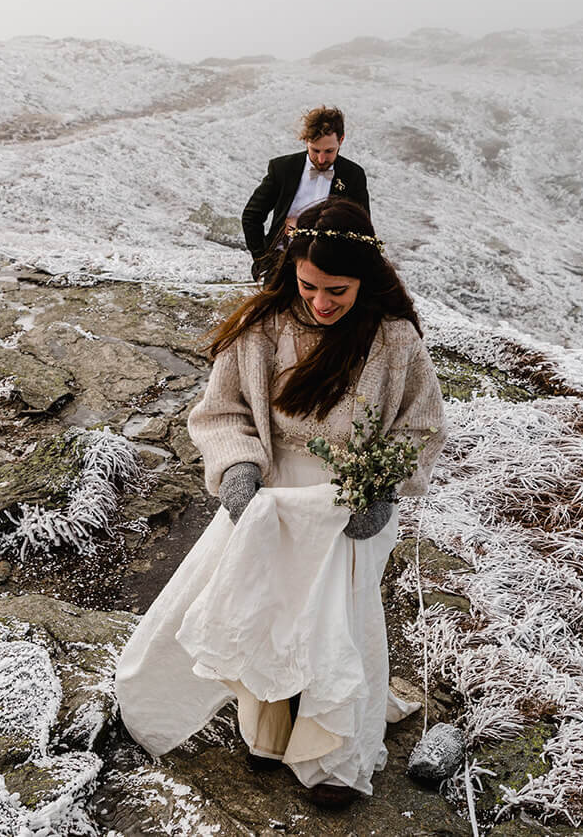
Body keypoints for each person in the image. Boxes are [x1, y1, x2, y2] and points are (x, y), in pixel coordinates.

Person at [114, 197, 445, 808]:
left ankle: (330, 757)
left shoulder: (395, 342)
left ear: (365, 280)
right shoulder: (260, 329)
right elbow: (222, 411)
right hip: (266, 495)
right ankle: (265, 733)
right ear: (291, 267)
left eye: (338, 291)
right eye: (309, 285)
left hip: (348, 507)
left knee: (331, 625)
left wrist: (381, 489)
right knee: (257, 607)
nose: (321, 302)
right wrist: (237, 468)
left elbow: (420, 428)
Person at [242, 106, 370, 283]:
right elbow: (252, 216)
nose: (321, 159)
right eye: (315, 150)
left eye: (329, 151)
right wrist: (262, 258)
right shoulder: (282, 169)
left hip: (329, 265)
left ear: (341, 140)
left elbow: (362, 227)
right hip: (282, 263)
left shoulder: (353, 175)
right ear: (306, 141)